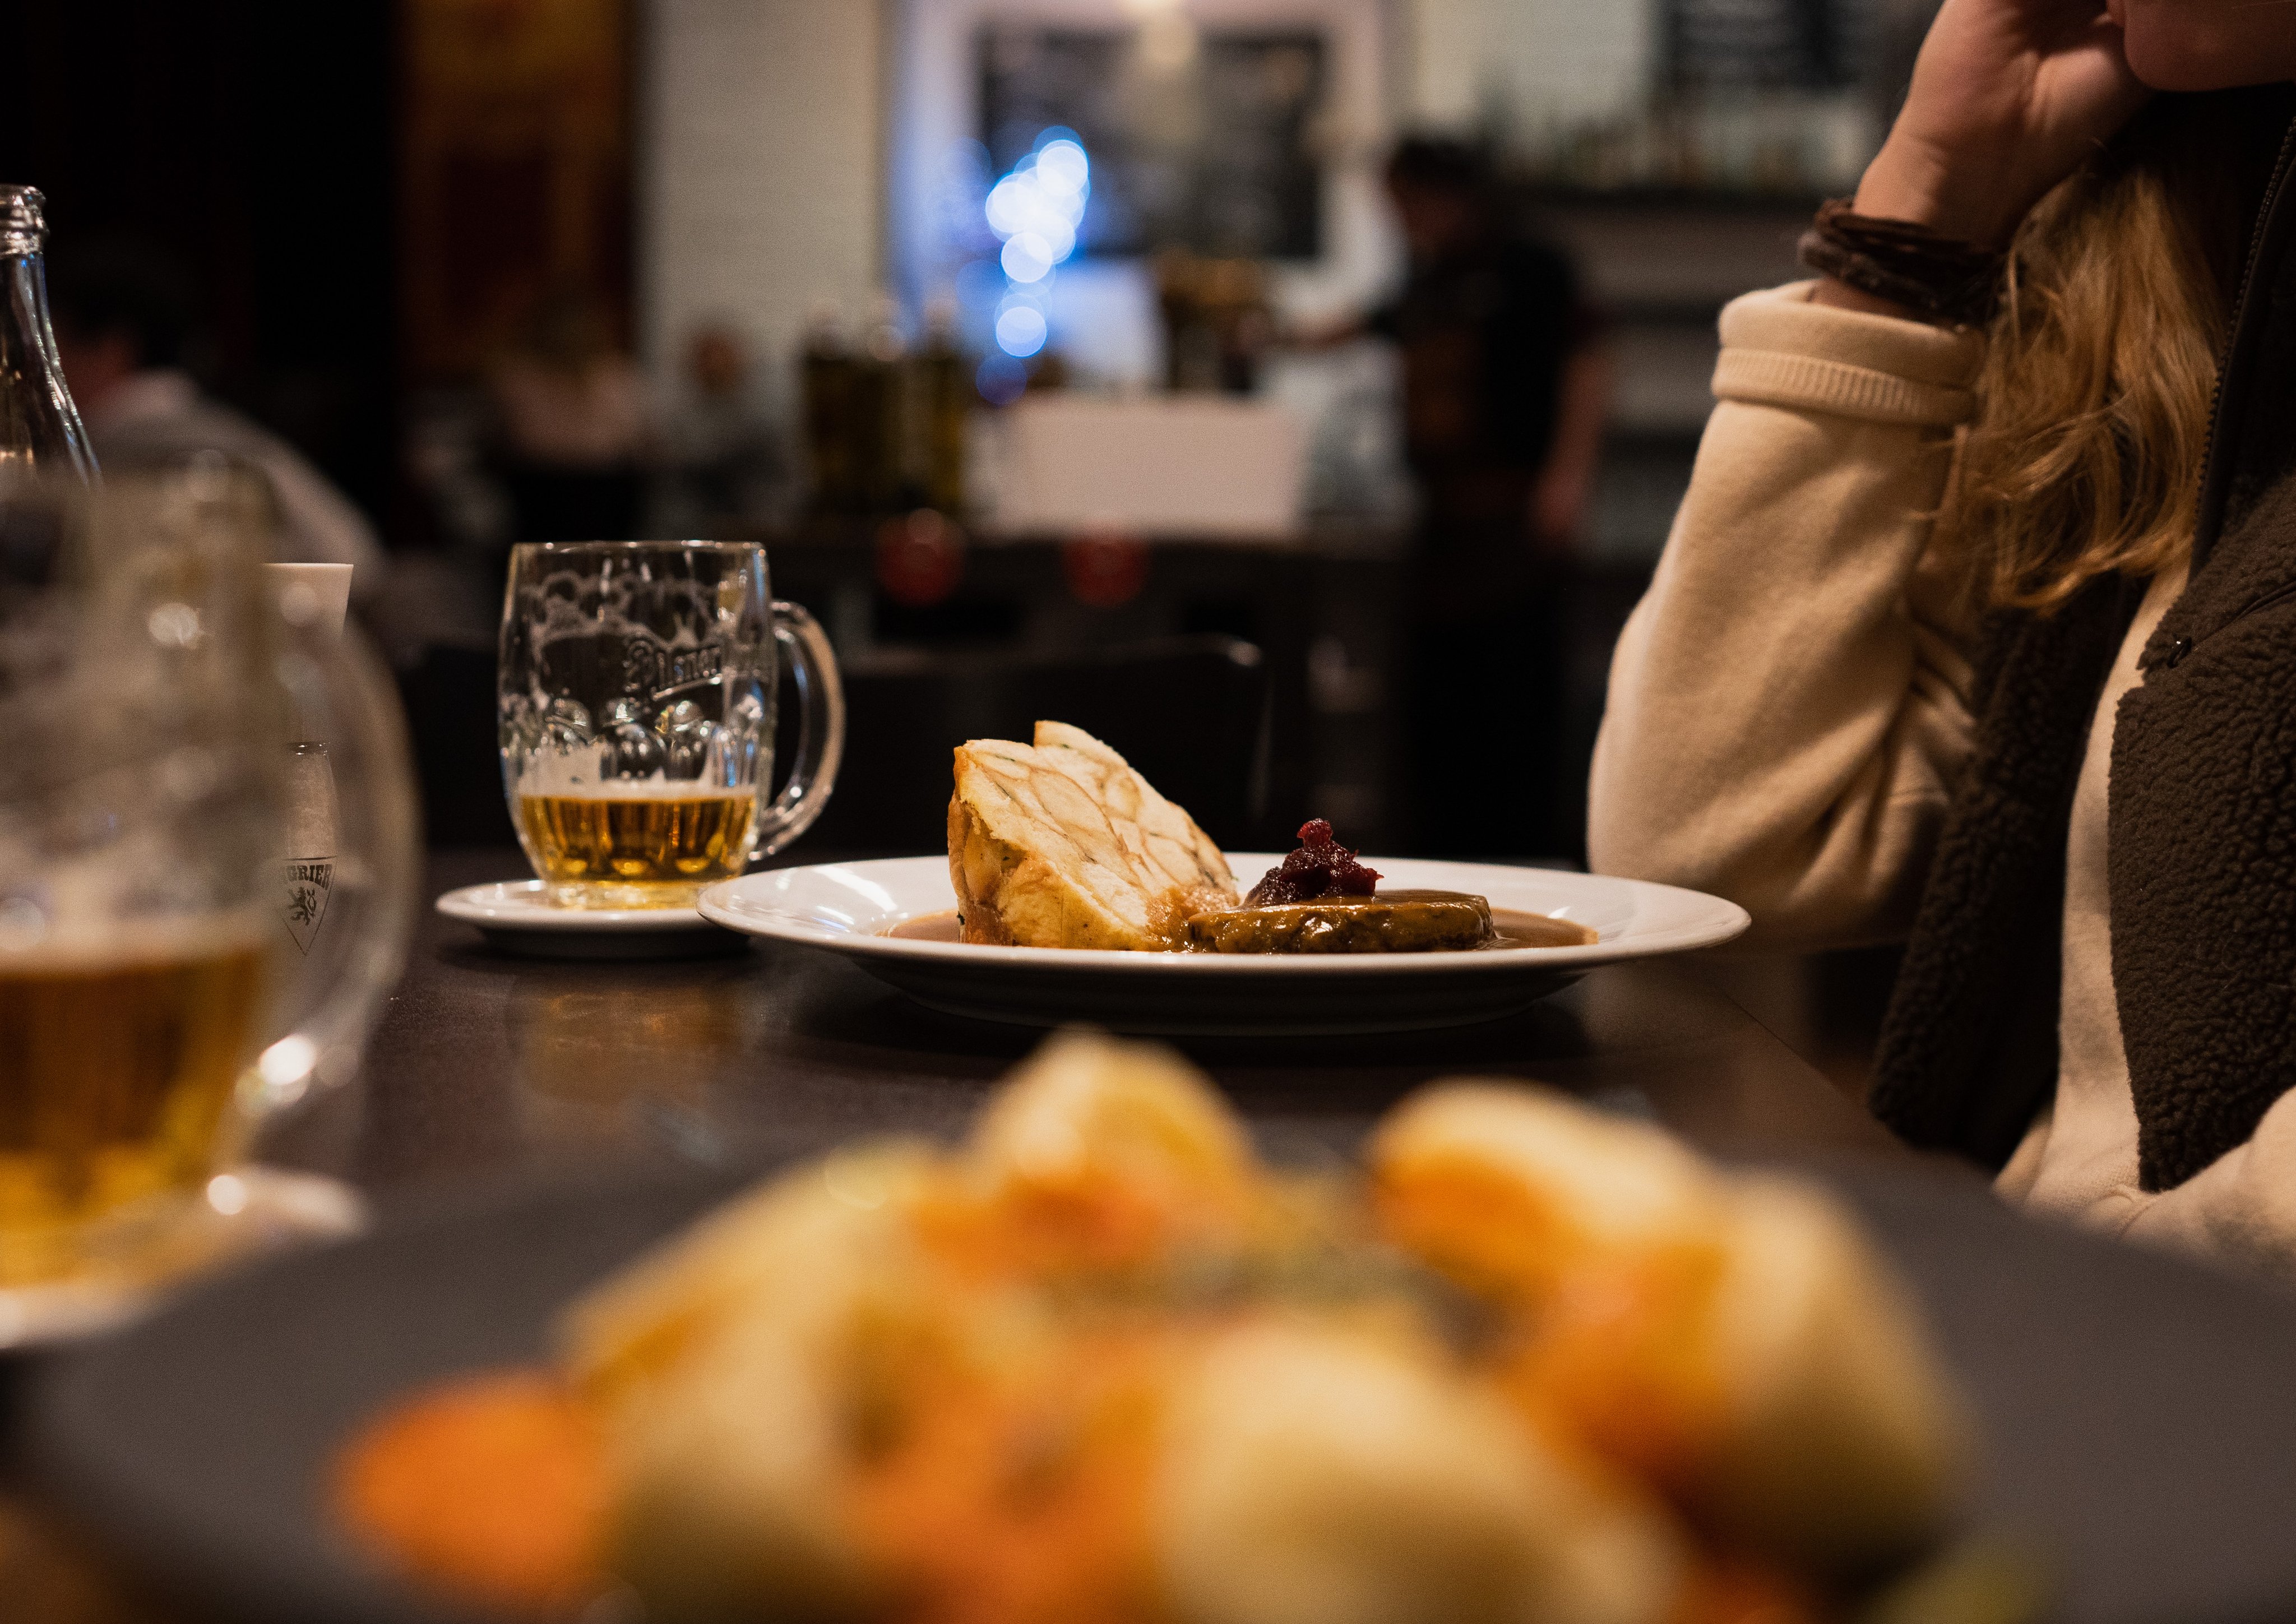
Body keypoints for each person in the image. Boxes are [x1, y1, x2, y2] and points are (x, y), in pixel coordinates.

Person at [1591, 0, 2296, 1278]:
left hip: (2161, 1373)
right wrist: (1914, 223)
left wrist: (2097, 1276)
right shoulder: (2163, 285)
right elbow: (1721, 842)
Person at [1304, 137, 1613, 857]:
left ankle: (1529, 857)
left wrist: (1566, 478)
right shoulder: (1429, 275)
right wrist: (1272, 338)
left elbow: (1589, 362)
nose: (1400, 221)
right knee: (1440, 709)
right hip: (1441, 526)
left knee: (1515, 703)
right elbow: (1367, 323)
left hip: (1516, 519)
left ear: (1448, 193)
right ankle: (1447, 857)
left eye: (1406, 204)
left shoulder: (1533, 267)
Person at [48, 244, 386, 585]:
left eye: (51, 343)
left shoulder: (127, 447)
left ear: (112, 348)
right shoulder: (213, 422)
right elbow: (355, 552)